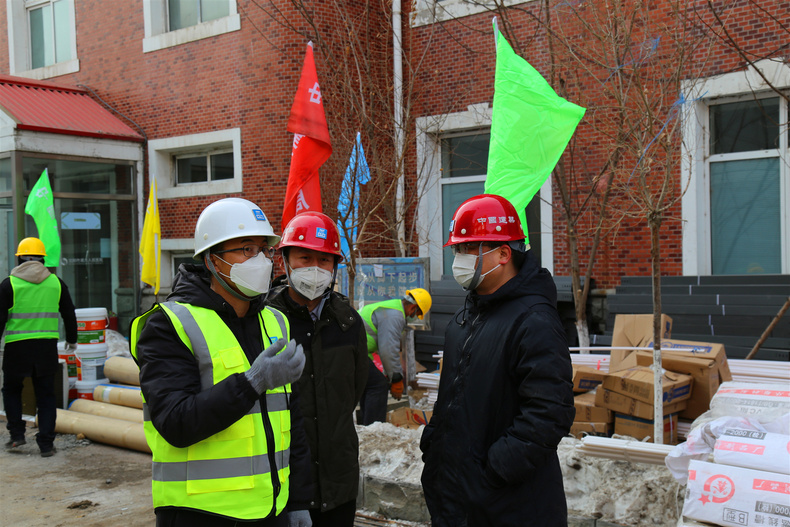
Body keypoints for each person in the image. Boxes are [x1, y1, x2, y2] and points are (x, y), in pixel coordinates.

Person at [131, 197, 313, 527]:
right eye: (245, 249)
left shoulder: (275, 322)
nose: (259, 260)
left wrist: (298, 499)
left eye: (264, 250)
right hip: (199, 513)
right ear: (212, 259)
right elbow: (175, 422)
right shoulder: (170, 325)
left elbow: (291, 421)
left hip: (271, 508)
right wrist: (252, 382)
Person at [420, 194, 574, 527]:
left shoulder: (535, 320)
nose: (458, 259)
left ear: (503, 253)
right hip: (455, 501)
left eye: (467, 249)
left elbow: (549, 413)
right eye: (457, 250)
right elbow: (453, 399)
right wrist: (434, 444)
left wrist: (492, 472)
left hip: (508, 506)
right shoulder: (464, 318)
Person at [266, 211, 368, 527]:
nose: (315, 268)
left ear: (335, 266)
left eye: (324, 260)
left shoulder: (348, 324)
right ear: (284, 261)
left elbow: (354, 391)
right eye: (304, 257)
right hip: (282, 483)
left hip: (338, 482)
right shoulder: (266, 321)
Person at [0, 237, 78, 457]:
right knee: (46, 395)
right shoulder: (56, 283)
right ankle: (46, 444)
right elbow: (69, 314)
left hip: (17, 348)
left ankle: (17, 436)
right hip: (45, 348)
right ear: (43, 258)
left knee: (12, 390)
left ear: (19, 258)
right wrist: (72, 340)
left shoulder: (9, 284)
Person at [358, 287, 432, 425]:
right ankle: (374, 428)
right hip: (354, 351)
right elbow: (388, 350)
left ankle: (365, 425)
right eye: (416, 313)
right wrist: (396, 378)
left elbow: (384, 349)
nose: (413, 317)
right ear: (413, 307)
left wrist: (389, 375)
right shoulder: (395, 315)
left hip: (355, 350)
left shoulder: (391, 309)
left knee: (369, 383)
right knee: (378, 385)